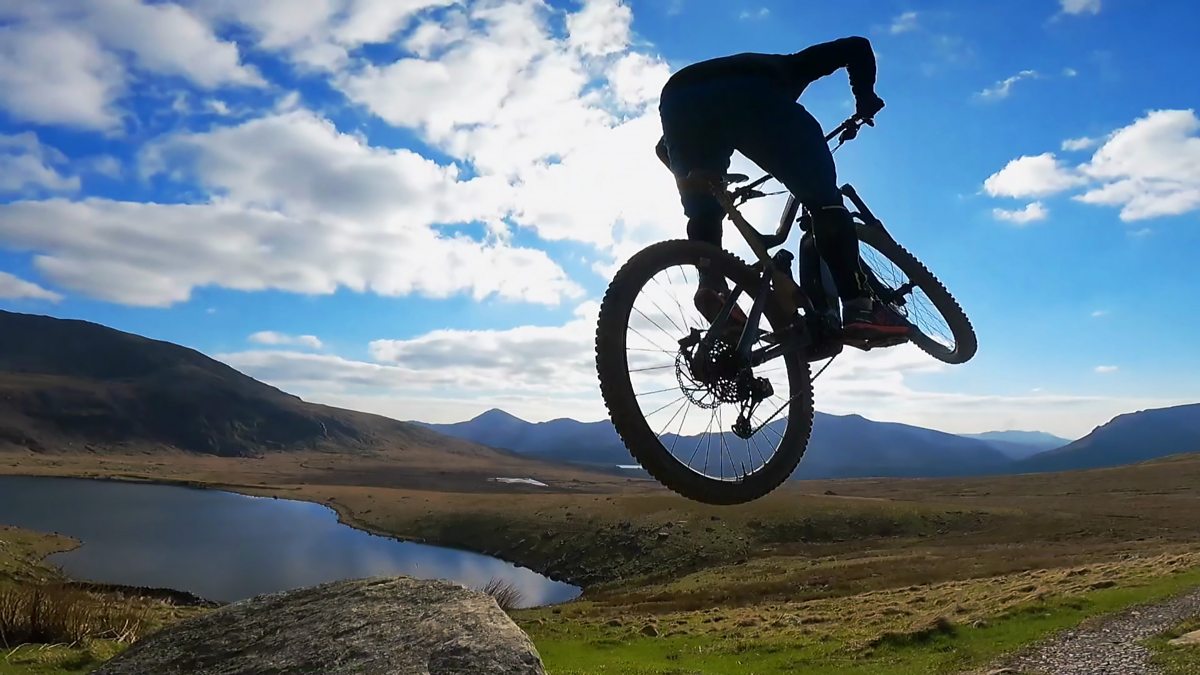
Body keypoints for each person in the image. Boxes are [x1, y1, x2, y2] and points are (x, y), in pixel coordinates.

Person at [655, 36, 909, 341]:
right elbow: (857, 46)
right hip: (750, 90)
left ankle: (712, 285)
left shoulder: (709, 81)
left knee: (704, 213)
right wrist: (865, 99)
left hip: (677, 102)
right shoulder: (790, 67)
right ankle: (860, 309)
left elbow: (662, 149)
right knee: (824, 201)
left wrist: (703, 184)